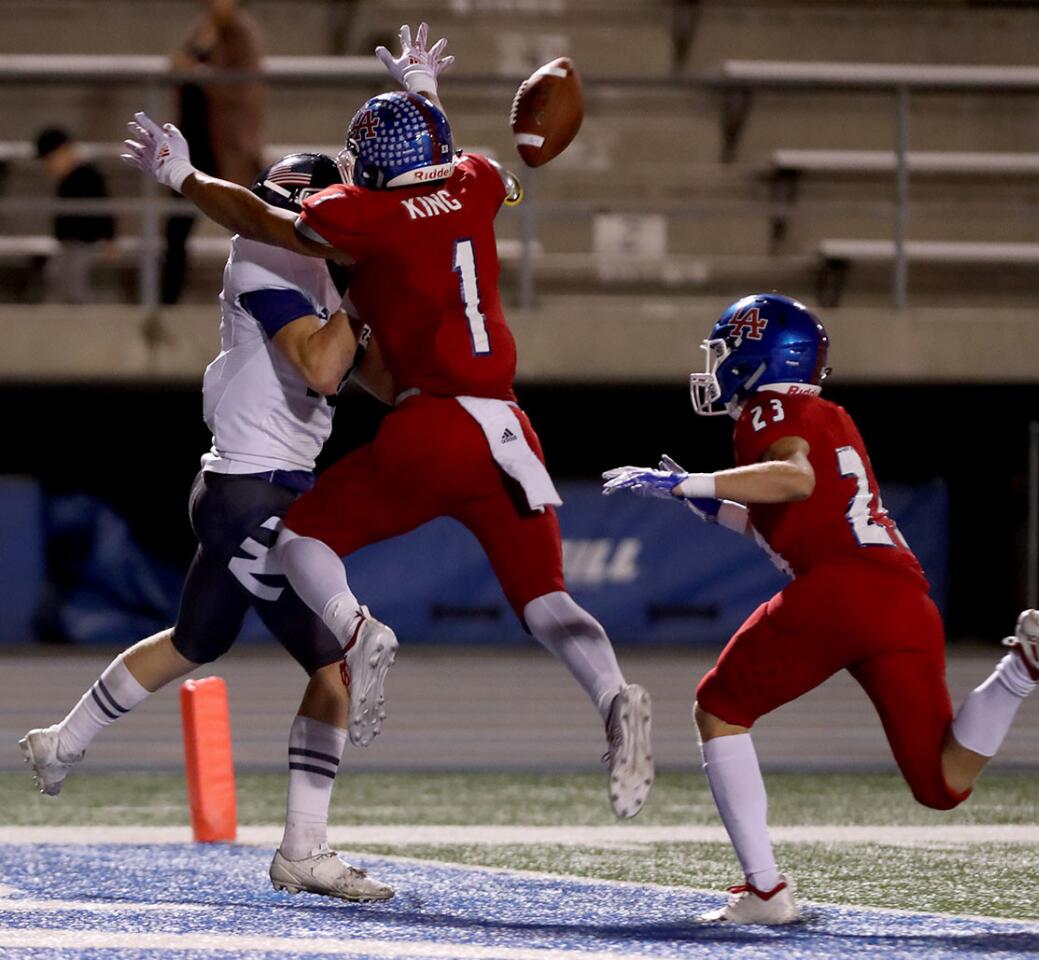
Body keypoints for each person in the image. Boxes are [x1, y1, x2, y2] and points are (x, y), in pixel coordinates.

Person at [120, 23, 656, 819]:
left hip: (432, 423)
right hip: (508, 430)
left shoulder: (369, 214)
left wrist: (184, 175)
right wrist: (424, 92)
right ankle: (615, 697)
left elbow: (265, 222)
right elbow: (441, 161)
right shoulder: (476, 178)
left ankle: (356, 629)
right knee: (547, 601)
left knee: (302, 539)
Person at [602, 293, 1039, 924]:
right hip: (900, 595)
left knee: (721, 708)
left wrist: (690, 482)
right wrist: (706, 502)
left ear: (758, 356)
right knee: (942, 783)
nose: (718, 365)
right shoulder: (827, 415)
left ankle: (764, 893)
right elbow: (792, 515)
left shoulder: (768, 409)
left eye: (727, 351)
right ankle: (1024, 667)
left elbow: (795, 480)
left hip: (839, 591)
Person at [21, 152, 398, 904]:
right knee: (336, 669)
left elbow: (377, 382)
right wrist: (365, 293)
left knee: (193, 642)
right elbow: (325, 369)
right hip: (253, 493)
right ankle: (303, 850)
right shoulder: (264, 255)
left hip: (247, 488)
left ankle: (59, 743)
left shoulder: (312, 268)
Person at [163, 0, 264, 303]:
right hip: (193, 144)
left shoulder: (242, 33)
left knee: (244, 228)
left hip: (226, 147)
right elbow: (180, 67)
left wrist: (198, 71)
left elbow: (242, 89)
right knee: (175, 228)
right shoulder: (204, 29)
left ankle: (262, 297)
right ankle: (167, 300)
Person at [34, 127, 116, 304]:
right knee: (55, 274)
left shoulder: (89, 176)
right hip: (68, 241)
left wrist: (110, 238)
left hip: (83, 241)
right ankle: (56, 315)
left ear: (65, 151)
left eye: (50, 159)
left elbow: (104, 208)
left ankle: (88, 317)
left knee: (74, 281)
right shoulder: (66, 180)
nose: (48, 166)